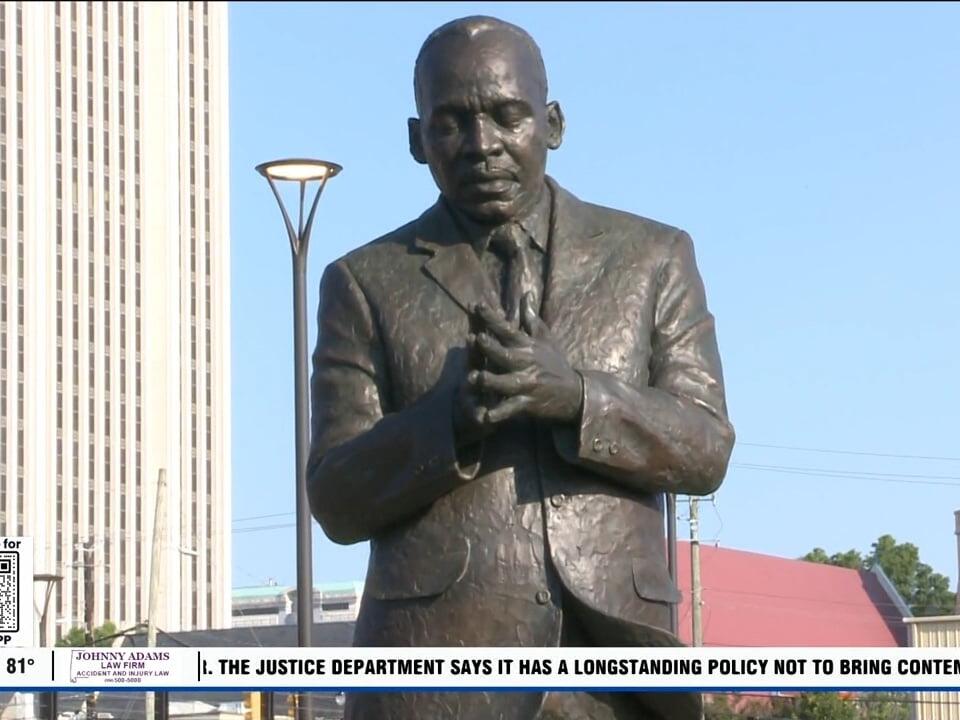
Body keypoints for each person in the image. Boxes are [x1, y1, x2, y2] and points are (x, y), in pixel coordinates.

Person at [307, 15, 735, 720]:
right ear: (416, 140)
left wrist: (579, 399)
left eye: (508, 116)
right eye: (450, 124)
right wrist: (449, 422)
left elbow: (706, 448)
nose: (482, 146)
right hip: (437, 677)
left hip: (617, 669)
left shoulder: (654, 258)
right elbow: (336, 496)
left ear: (554, 122)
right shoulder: (362, 283)